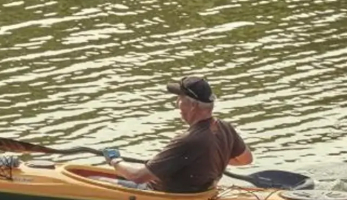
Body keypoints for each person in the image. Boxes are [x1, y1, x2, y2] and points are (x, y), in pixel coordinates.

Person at [108, 76, 253, 193]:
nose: (177, 102)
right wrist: (207, 159)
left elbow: (138, 177)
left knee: (97, 179)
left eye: (180, 98)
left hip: (166, 195)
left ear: (193, 106)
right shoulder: (224, 127)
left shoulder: (188, 140)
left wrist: (114, 160)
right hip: (203, 191)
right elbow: (245, 159)